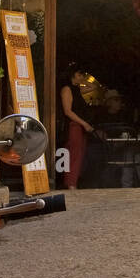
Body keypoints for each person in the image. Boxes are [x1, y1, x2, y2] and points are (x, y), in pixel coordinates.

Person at [59, 62, 94, 190]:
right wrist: (84, 123)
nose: (82, 77)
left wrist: (82, 80)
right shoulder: (66, 89)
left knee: (79, 154)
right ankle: (71, 184)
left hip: (80, 126)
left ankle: (74, 183)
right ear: (74, 74)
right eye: (80, 74)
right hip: (74, 125)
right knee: (73, 155)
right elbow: (68, 111)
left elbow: (91, 86)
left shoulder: (77, 88)